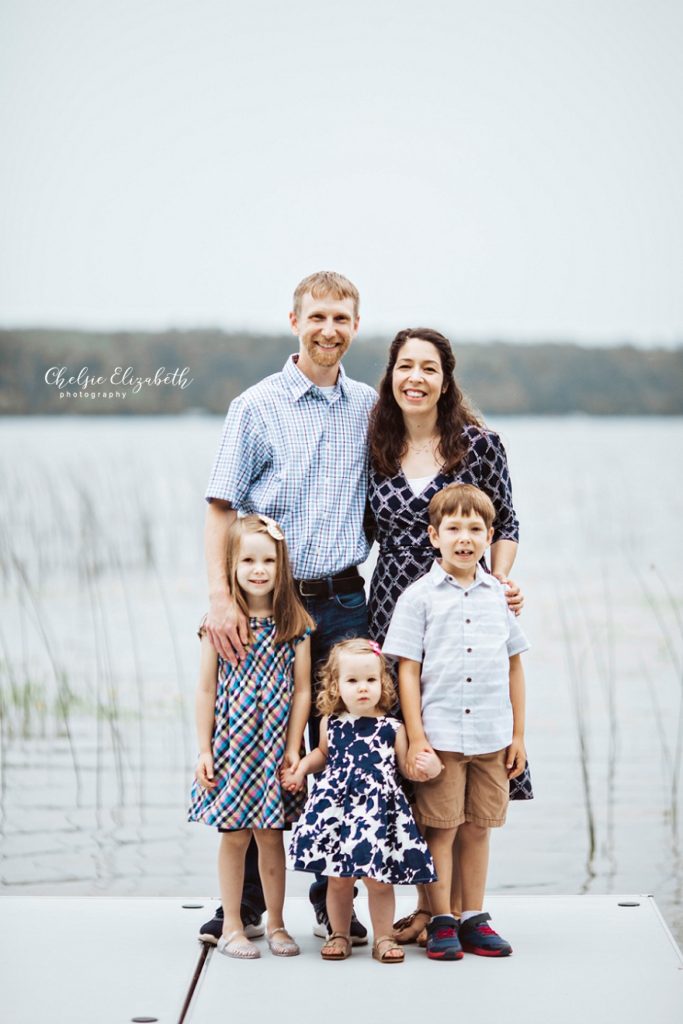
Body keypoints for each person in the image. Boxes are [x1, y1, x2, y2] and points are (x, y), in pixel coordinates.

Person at [199, 271, 376, 946]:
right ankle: (242, 906)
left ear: (355, 326)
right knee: (253, 747)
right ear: (293, 319)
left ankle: (335, 904)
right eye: (317, 316)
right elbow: (220, 507)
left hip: (342, 601)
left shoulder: (368, 405)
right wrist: (222, 597)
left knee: (344, 754)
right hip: (267, 606)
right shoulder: (255, 406)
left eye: (341, 318)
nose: (329, 329)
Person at [366, 326, 527, 945]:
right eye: (405, 366)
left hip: (469, 609)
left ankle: (463, 914)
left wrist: (500, 583)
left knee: (469, 770)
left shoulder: (480, 446)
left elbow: (506, 520)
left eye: (428, 368)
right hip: (395, 615)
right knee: (414, 762)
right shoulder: (375, 444)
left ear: (446, 377)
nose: (416, 378)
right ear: (392, 376)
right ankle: (428, 911)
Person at [383, 483, 529, 960]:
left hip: (491, 736)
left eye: (475, 528)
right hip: (441, 736)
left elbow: (513, 666)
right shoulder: (418, 597)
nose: (464, 538)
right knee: (440, 828)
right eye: (453, 528)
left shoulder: (497, 598)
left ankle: (474, 917)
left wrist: (518, 737)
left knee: (478, 827)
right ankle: (442, 916)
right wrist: (417, 736)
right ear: (433, 536)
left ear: (490, 536)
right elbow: (407, 668)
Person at [188, 514, 314, 959]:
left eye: (268, 561)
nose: (258, 570)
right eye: (247, 560)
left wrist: (294, 747)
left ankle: (278, 924)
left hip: (273, 750)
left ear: (282, 567)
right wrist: (204, 749)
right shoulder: (219, 624)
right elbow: (205, 688)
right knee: (235, 836)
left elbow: (303, 691)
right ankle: (234, 926)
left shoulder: (294, 623)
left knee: (270, 836)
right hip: (232, 747)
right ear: (231, 566)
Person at [282, 638, 438, 963]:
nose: (362, 688)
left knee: (378, 881)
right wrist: (300, 770)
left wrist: (424, 768)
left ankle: (383, 937)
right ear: (336, 686)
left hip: (377, 815)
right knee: (338, 880)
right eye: (352, 681)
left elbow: (406, 768)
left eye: (370, 680)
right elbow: (322, 754)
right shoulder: (331, 723)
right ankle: (339, 933)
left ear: (383, 683)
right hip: (337, 813)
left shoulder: (392, 728)